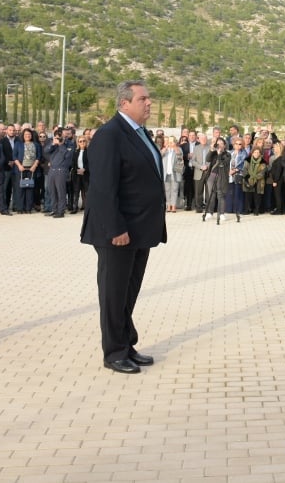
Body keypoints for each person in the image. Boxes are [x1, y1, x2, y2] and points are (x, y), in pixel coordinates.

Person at [80, 80, 167, 374]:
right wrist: (116, 228)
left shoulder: (140, 133)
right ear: (124, 103)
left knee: (128, 292)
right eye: (143, 99)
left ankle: (127, 344)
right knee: (113, 294)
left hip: (140, 229)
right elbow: (103, 189)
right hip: (118, 231)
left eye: (149, 98)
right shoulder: (110, 135)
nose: (149, 103)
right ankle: (114, 352)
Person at [44, 131, 74, 218]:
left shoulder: (69, 144)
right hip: (52, 170)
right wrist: (53, 144)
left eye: (62, 136)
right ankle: (54, 210)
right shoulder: (54, 144)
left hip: (61, 170)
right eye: (58, 136)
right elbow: (46, 151)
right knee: (52, 191)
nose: (60, 138)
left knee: (61, 192)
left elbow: (67, 155)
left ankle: (61, 211)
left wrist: (61, 144)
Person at [202, 137, 231, 224]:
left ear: (224, 145)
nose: (220, 145)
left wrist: (219, 154)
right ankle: (210, 212)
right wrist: (211, 150)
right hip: (212, 175)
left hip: (222, 176)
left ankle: (221, 213)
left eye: (221, 143)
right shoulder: (214, 153)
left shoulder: (227, 154)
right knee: (211, 194)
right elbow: (207, 159)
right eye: (218, 143)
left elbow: (223, 163)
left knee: (220, 194)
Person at [13, 128, 41, 214]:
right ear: (23, 135)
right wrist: (19, 166)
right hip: (21, 169)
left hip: (31, 169)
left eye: (29, 134)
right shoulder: (18, 144)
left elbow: (39, 156)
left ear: (31, 135)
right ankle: (20, 208)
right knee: (20, 188)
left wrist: (34, 166)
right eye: (26, 134)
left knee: (30, 188)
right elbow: (14, 156)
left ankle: (28, 208)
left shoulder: (36, 144)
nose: (27, 136)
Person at [161, 137, 184, 213]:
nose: (170, 143)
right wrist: (166, 148)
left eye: (171, 141)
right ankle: (168, 206)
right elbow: (160, 155)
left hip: (175, 173)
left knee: (174, 189)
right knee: (167, 190)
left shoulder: (178, 149)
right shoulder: (164, 150)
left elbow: (180, 157)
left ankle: (173, 206)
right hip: (166, 173)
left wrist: (175, 147)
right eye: (168, 141)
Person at [243, 145, 267, 216]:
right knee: (248, 196)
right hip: (248, 180)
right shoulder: (247, 160)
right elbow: (245, 170)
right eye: (255, 152)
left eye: (258, 152)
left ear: (260, 153)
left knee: (257, 196)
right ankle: (247, 209)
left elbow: (262, 173)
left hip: (259, 181)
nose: (256, 154)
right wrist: (249, 178)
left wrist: (255, 178)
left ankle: (257, 210)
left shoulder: (263, 161)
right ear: (252, 153)